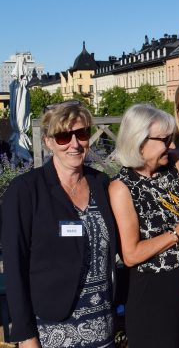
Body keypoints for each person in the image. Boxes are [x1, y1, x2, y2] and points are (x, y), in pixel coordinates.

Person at [2, 101, 117, 348]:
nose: (75, 144)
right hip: (51, 330)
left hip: (103, 325)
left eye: (82, 134)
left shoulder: (102, 184)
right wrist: (26, 335)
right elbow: (14, 267)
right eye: (64, 136)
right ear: (48, 141)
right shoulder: (26, 190)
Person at [109, 104, 179, 348]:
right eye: (164, 139)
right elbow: (131, 254)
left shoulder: (174, 166)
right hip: (152, 295)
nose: (171, 146)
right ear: (140, 142)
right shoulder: (122, 188)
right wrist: (177, 233)